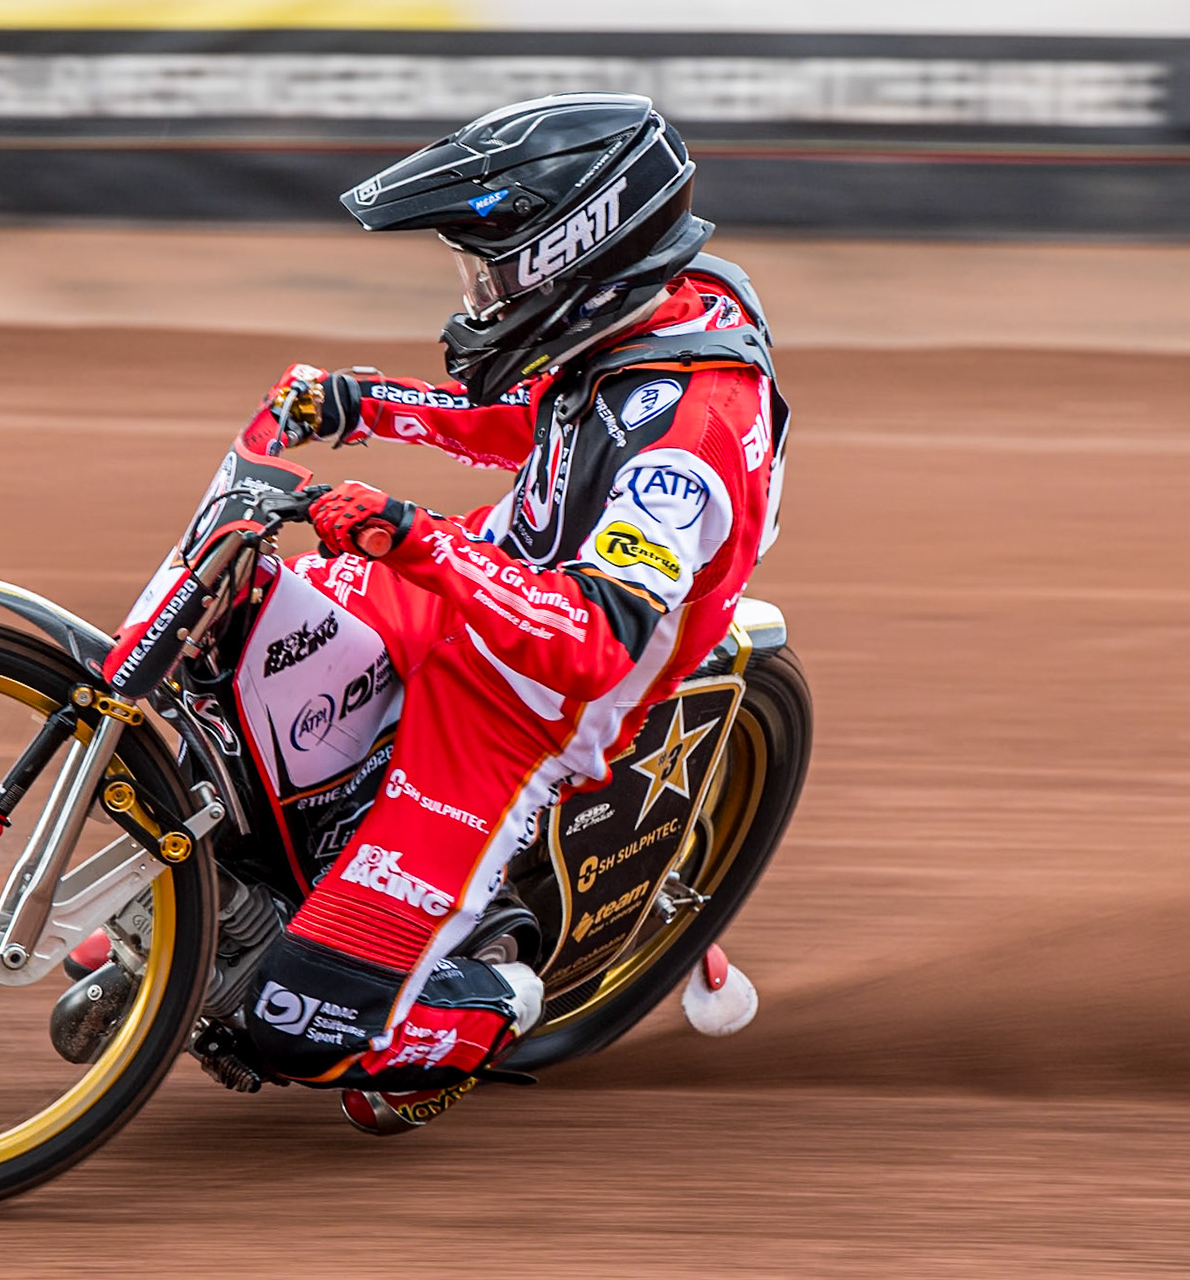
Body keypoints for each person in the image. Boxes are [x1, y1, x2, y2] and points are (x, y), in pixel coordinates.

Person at [240, 92, 790, 1133]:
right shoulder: (657, 306)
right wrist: (361, 405)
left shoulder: (688, 438)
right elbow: (534, 423)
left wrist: (414, 535)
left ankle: (493, 984)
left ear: (575, 257)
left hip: (529, 693)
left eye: (494, 271)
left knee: (297, 1027)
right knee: (242, 648)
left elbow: (592, 642)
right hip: (491, 572)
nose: (477, 295)